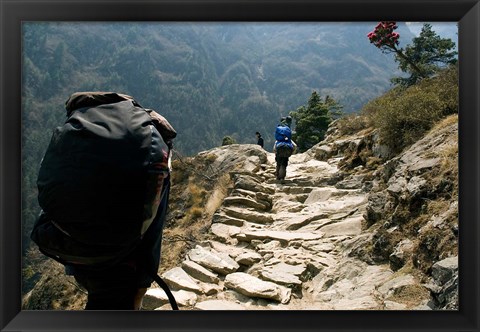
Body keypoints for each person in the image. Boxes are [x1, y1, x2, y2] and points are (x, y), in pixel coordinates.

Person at [32, 92, 177, 310]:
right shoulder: (150, 140)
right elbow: (152, 227)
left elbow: (54, 190)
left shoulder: (77, 132)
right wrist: (142, 284)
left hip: (71, 250)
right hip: (122, 260)